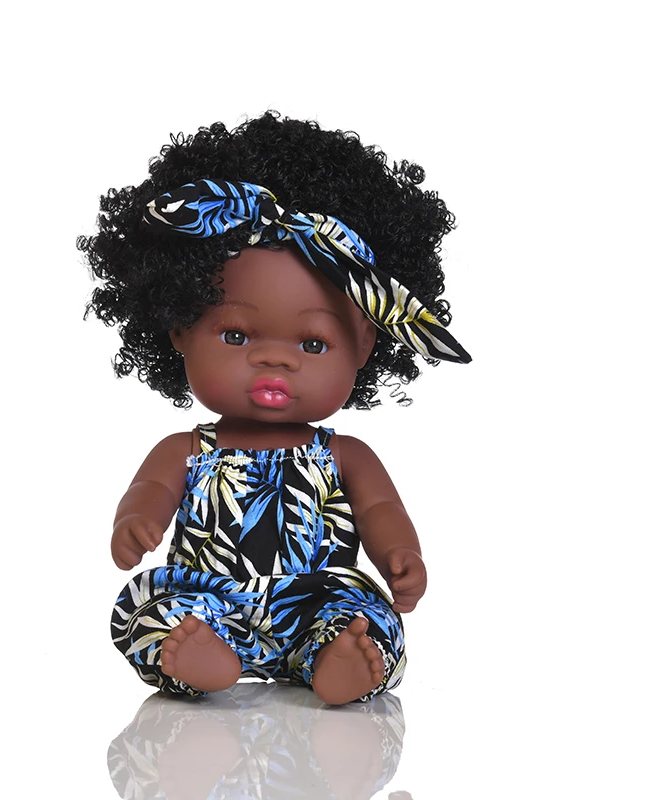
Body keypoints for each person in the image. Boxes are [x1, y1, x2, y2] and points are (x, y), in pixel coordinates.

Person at [77, 111, 470, 705]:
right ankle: (199, 658)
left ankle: (338, 658)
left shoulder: (346, 455)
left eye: (312, 344)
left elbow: (381, 508)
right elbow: (150, 489)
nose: (274, 360)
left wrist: (400, 554)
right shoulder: (186, 450)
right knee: (153, 612)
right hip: (208, 604)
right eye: (236, 336)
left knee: (368, 617)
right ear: (180, 326)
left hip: (316, 602)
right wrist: (135, 521)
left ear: (364, 345)